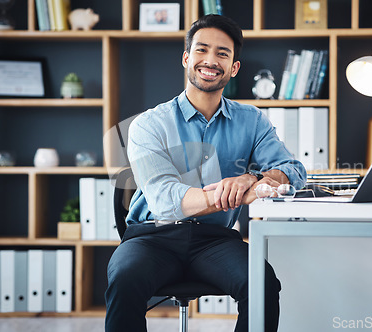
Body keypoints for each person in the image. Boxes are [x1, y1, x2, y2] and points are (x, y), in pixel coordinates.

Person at [105, 14, 306, 332]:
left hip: (215, 241)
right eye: (201, 50)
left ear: (234, 68)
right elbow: (165, 200)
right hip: (152, 238)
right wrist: (238, 195)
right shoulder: (149, 124)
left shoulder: (251, 120)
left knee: (262, 283)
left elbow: (292, 169)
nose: (210, 60)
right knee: (124, 279)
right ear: (186, 58)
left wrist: (251, 180)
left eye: (222, 54)